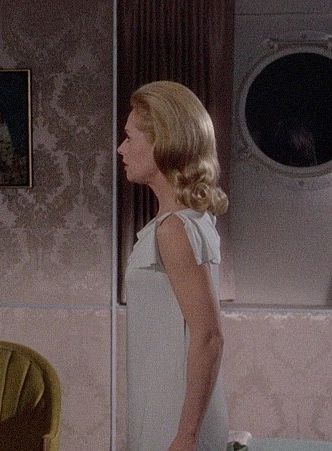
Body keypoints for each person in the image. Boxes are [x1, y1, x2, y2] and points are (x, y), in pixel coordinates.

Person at [118, 81, 229, 451]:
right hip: (162, 403)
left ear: (161, 142)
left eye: (129, 138)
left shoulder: (176, 229)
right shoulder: (185, 221)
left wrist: (186, 436)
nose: (121, 149)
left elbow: (209, 337)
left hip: (174, 418)